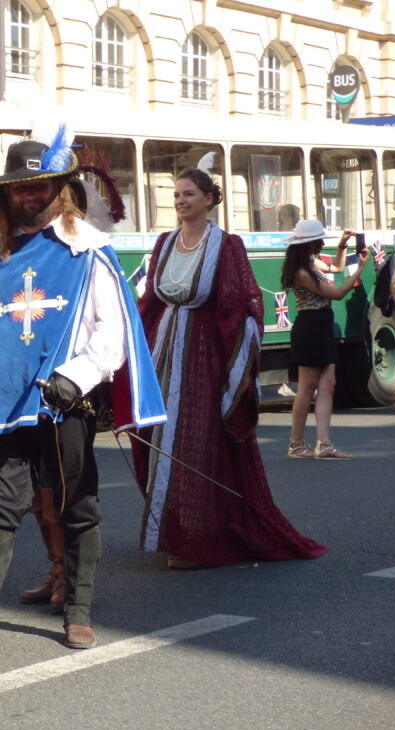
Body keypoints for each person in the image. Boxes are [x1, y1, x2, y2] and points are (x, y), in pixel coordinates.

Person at [0, 134, 166, 651]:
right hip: (2, 402)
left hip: (63, 403)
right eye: (20, 189)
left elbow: (112, 333)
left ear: (58, 188)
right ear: (7, 195)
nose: (29, 197)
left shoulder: (88, 250)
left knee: (77, 505)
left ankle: (78, 612)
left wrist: (76, 376)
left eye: (40, 187)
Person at [131, 169, 329, 570]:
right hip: (165, 352)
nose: (180, 201)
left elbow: (241, 303)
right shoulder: (165, 242)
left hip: (205, 356)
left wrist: (233, 364)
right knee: (158, 438)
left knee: (197, 442)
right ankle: (175, 531)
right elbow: (152, 300)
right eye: (177, 195)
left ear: (209, 198)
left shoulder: (227, 245)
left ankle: (202, 538)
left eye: (189, 194)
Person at [282, 219, 369, 459]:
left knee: (327, 384)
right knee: (307, 388)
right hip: (310, 327)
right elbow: (338, 293)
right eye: (319, 239)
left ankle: (324, 443)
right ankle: (296, 444)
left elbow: (338, 269)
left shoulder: (309, 262)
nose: (322, 243)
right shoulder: (302, 272)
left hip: (320, 326)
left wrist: (342, 247)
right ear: (309, 243)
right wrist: (361, 268)